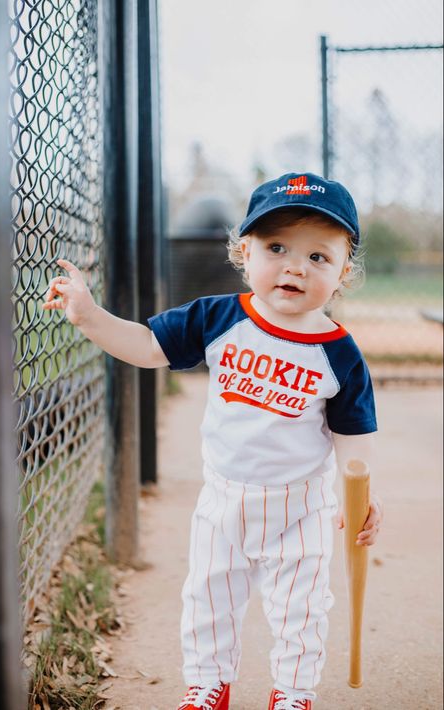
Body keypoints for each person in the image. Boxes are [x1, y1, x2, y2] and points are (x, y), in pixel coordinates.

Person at [42, 172, 384, 710]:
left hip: (301, 507)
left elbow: (352, 432)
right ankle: (208, 686)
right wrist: (89, 317)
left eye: (319, 257)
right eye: (276, 248)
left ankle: (293, 693)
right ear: (242, 252)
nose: (295, 265)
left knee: (301, 608)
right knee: (208, 598)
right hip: (225, 496)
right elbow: (149, 345)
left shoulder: (337, 351)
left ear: (343, 274)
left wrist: (357, 496)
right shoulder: (219, 318)